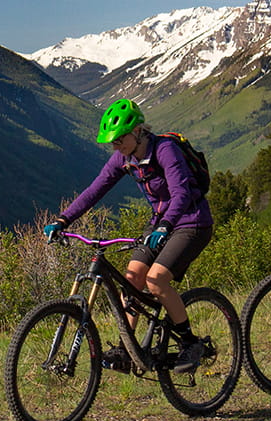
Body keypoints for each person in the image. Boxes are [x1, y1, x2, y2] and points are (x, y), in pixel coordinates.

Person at [43, 99, 214, 373]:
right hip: (161, 223)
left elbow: (181, 193)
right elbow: (94, 191)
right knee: (132, 278)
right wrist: (63, 219)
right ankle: (127, 350)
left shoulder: (165, 150)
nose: (115, 146)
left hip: (191, 222)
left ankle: (190, 343)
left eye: (119, 139)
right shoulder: (125, 158)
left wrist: (165, 225)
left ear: (137, 131)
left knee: (155, 280)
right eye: (111, 142)